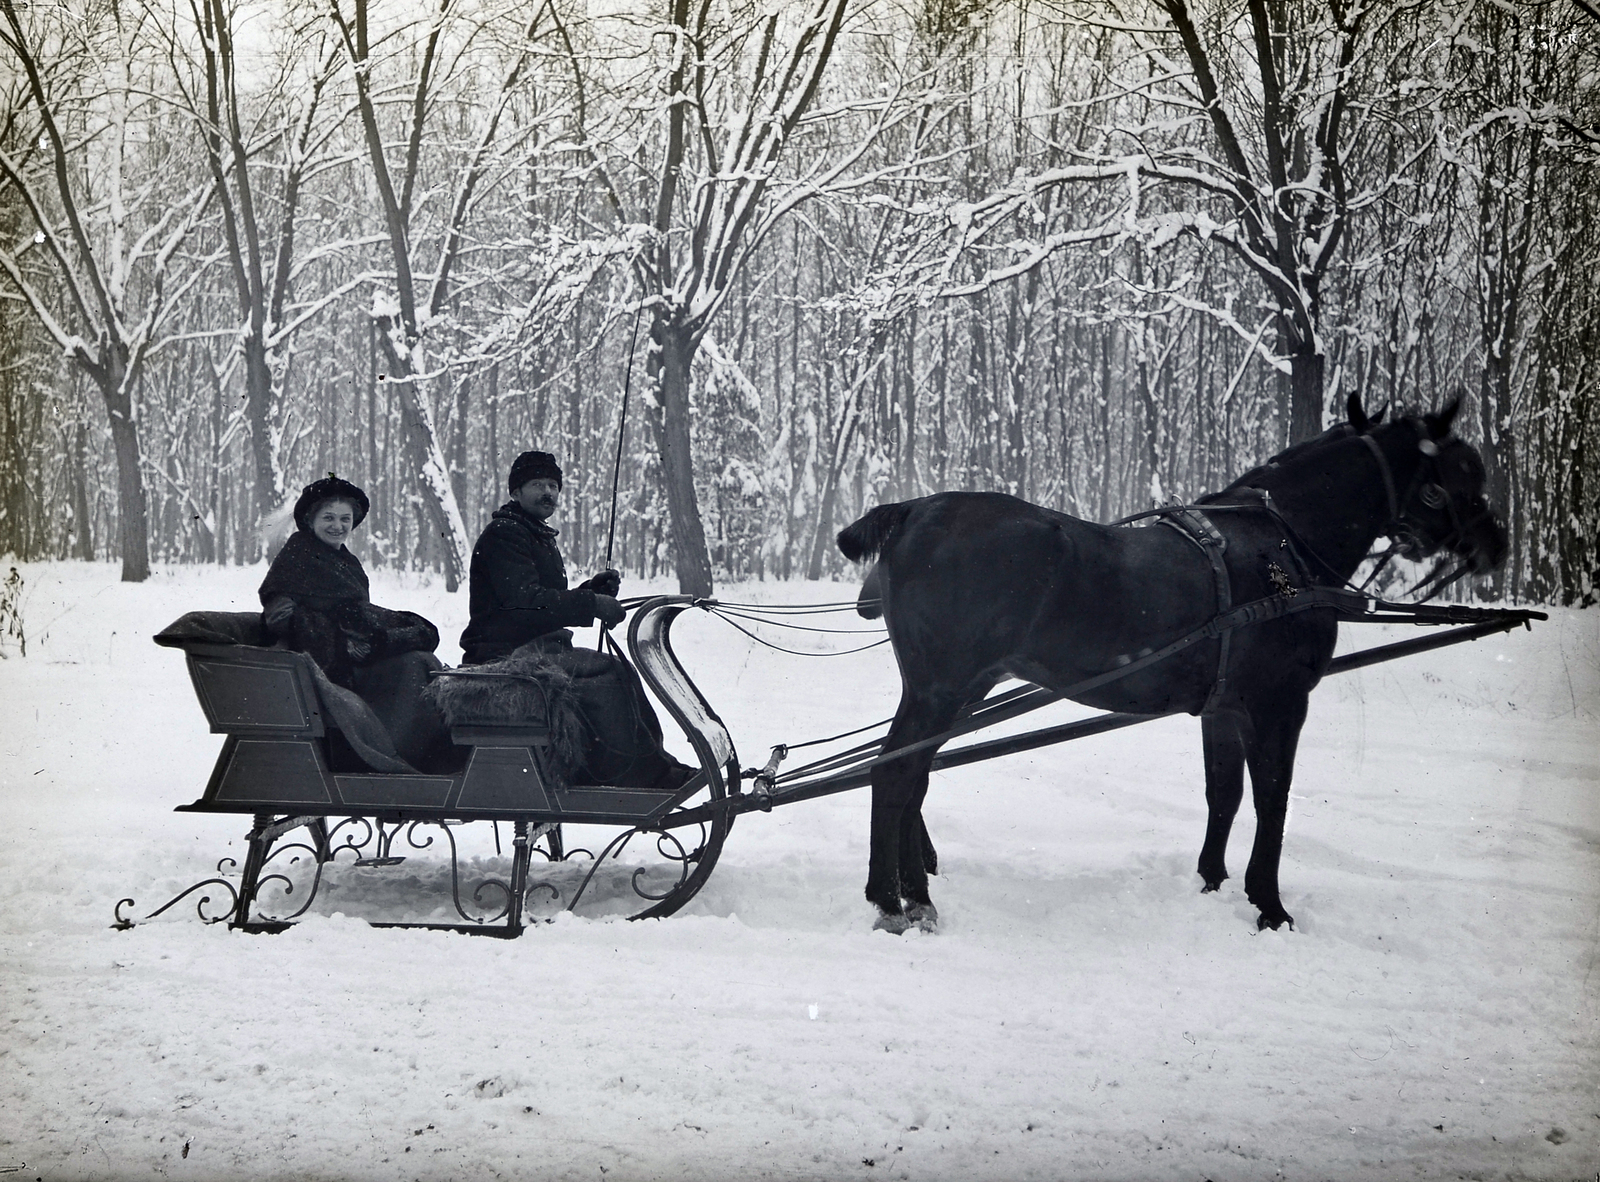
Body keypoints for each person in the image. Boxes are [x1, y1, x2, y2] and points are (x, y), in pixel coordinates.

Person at [455, 450, 698, 792]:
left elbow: (538, 599)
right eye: (537, 484)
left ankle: (655, 767)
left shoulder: (531, 533)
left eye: (553, 485)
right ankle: (641, 775)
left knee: (616, 670)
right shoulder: (504, 535)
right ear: (515, 492)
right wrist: (590, 604)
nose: (548, 492)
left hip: (533, 647)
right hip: (504, 654)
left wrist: (590, 591)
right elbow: (524, 603)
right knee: (609, 672)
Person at [259, 475, 451, 770]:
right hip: (327, 666)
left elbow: (356, 609)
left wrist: (367, 634)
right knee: (413, 665)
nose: (338, 526)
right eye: (329, 518)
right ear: (311, 520)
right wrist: (339, 636)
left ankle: (421, 749)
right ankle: (398, 752)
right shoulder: (297, 558)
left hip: (351, 656)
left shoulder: (344, 560)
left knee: (419, 658)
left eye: (345, 519)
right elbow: (279, 615)